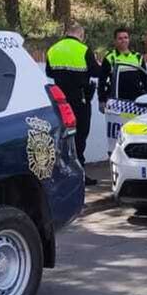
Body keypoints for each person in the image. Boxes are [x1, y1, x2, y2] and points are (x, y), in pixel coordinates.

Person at [45, 22, 104, 183]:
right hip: (80, 100)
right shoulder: (83, 50)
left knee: (62, 137)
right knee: (79, 136)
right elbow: (96, 72)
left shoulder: (53, 49)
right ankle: (79, 175)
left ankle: (62, 174)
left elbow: (49, 72)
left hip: (60, 102)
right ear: (81, 35)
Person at [100, 27, 147, 102]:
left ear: (129, 39)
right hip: (117, 100)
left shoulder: (137, 57)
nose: (123, 40)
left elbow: (145, 80)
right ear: (115, 41)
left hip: (136, 100)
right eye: (120, 38)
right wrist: (101, 100)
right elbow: (102, 81)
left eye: (125, 37)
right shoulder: (110, 58)